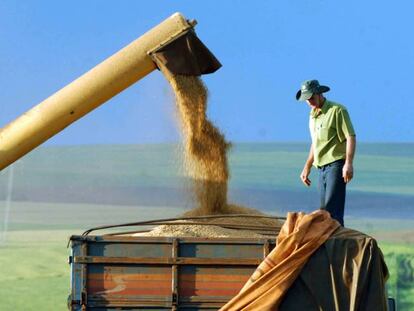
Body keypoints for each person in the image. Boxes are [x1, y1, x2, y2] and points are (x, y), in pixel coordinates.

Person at [296, 80, 356, 226]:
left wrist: (348, 163)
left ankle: (337, 246)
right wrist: (307, 166)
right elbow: (315, 143)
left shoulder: (337, 110)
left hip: (336, 165)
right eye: (306, 100)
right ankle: (328, 244)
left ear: (319, 93)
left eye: (311, 98)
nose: (309, 102)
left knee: (333, 211)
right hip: (321, 168)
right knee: (324, 213)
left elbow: (350, 136)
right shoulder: (313, 115)